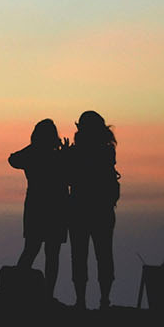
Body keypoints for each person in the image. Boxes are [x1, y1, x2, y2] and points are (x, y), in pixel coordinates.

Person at [9, 119, 69, 297]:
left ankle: (17, 288)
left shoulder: (33, 155)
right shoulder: (58, 156)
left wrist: (34, 147)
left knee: (31, 249)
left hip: (36, 207)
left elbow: (13, 159)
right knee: (52, 253)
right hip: (56, 208)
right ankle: (48, 294)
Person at [66, 111, 119, 309]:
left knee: (79, 256)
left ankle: (81, 301)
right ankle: (104, 300)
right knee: (104, 255)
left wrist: (66, 155)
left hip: (79, 210)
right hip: (102, 210)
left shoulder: (77, 152)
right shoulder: (107, 150)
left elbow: (69, 178)